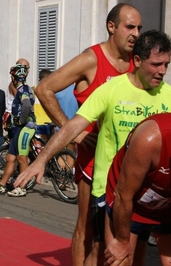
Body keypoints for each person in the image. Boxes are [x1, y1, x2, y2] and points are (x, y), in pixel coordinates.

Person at [15, 29, 171, 265]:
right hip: (110, 190)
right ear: (137, 61)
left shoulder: (168, 95)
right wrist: (41, 160)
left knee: (137, 256)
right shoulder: (111, 90)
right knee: (110, 256)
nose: (162, 71)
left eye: (166, 65)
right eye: (156, 64)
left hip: (145, 195)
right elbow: (72, 127)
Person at [30, 4, 142, 265]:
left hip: (130, 157)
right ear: (111, 27)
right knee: (88, 225)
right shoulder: (91, 59)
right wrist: (74, 134)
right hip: (93, 157)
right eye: (129, 27)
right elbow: (44, 88)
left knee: (126, 229)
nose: (136, 33)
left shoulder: (138, 59)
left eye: (139, 27)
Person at [104, 113, 171, 266]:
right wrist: (122, 241)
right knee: (121, 260)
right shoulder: (151, 138)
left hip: (165, 208)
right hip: (129, 201)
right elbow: (123, 196)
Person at [0, 64, 36, 197]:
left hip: (25, 128)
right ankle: (2, 184)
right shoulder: (22, 89)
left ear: (14, 76)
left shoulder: (23, 89)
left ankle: (22, 187)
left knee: (22, 158)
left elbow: (26, 105)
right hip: (18, 128)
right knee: (10, 157)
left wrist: (21, 119)